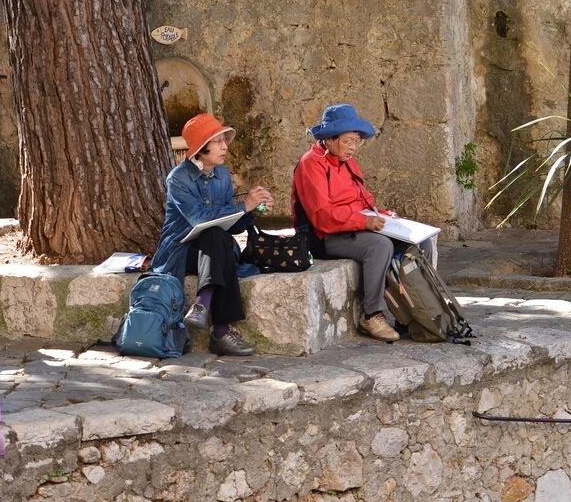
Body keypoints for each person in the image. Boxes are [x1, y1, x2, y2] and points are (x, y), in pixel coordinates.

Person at [292, 103, 437, 343]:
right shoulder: (311, 164)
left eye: (357, 141)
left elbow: (362, 200)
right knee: (379, 246)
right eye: (348, 141)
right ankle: (372, 314)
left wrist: (382, 215)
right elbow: (322, 217)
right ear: (329, 139)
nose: (353, 147)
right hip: (322, 237)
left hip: (354, 226)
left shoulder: (347, 161)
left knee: (421, 243)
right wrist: (364, 221)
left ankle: (414, 310)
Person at [152, 113, 275, 356]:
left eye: (224, 141)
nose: (225, 146)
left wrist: (255, 210)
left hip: (212, 250)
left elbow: (233, 225)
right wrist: (244, 205)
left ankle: (202, 304)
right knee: (215, 237)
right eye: (218, 141)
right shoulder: (178, 178)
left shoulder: (222, 175)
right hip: (181, 250)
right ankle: (220, 332)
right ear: (201, 148)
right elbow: (199, 219)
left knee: (218, 238)